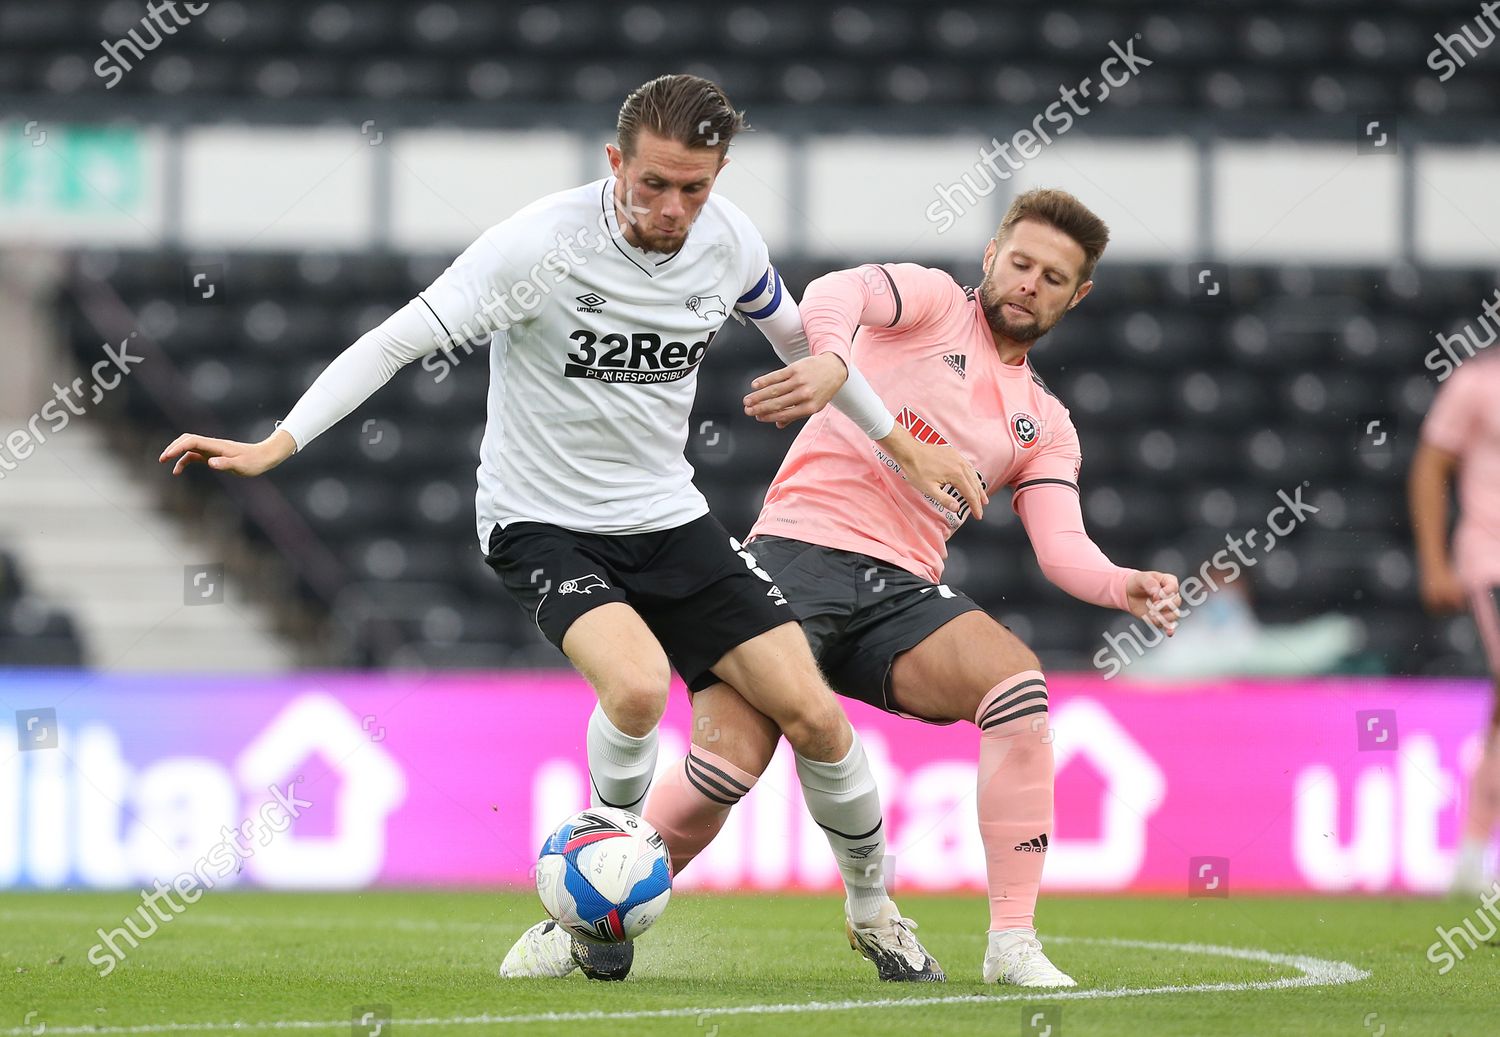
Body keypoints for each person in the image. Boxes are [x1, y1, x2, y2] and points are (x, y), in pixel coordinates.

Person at [158, 74, 982, 982]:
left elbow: (801, 345)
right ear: (614, 161)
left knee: (816, 715)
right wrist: (280, 442)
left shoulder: (729, 243)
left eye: (696, 188)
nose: (673, 207)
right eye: (655, 183)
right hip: (540, 519)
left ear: (720, 177)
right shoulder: (537, 245)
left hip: (668, 515)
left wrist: (902, 444)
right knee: (634, 691)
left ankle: (874, 913)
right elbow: (397, 338)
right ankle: (594, 894)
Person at [641, 188, 1182, 986]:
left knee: (1018, 690)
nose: (1031, 283)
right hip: (796, 555)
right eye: (1022, 262)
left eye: (1054, 277)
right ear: (993, 254)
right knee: (723, 773)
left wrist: (1120, 583)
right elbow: (834, 292)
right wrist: (830, 357)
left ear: (1079, 295)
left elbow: (1062, 546)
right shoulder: (931, 302)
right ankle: (585, 914)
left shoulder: (1045, 421)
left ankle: (1013, 944)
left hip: (900, 593)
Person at [1411, 351, 1500, 895]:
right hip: (1492, 561)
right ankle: (1471, 858)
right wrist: (1434, 562)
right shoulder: (1477, 382)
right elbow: (1430, 463)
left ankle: (1469, 861)